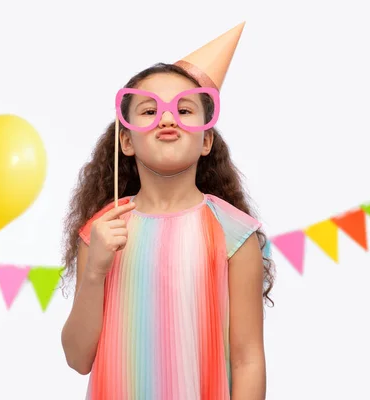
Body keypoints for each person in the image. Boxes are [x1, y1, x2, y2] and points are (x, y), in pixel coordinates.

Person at [60, 22, 275, 400]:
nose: (167, 117)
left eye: (185, 109)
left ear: (206, 139)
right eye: (148, 110)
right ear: (126, 140)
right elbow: (78, 358)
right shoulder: (102, 231)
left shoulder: (234, 234)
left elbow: (247, 360)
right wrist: (94, 271)